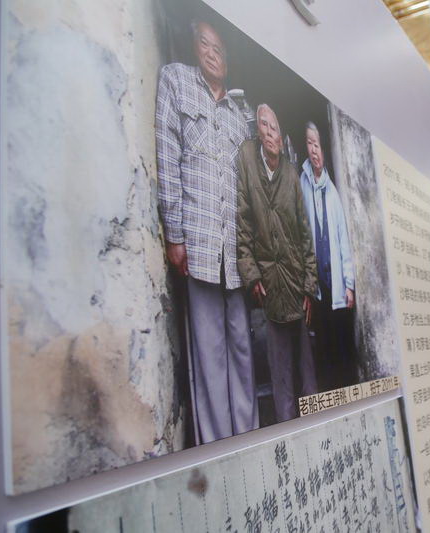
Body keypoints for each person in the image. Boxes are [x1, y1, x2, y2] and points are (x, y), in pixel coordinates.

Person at [156, 20, 254, 444]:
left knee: (242, 349)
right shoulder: (175, 81)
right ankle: (219, 446)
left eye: (219, 48)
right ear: (195, 47)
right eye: (205, 44)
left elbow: (248, 190)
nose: (212, 52)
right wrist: (174, 234)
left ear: (227, 58)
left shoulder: (241, 116)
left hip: (235, 252)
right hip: (197, 244)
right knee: (209, 352)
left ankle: (247, 437)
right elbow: (166, 155)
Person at [236, 103, 318, 423]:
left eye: (274, 127)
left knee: (306, 366)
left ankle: (314, 421)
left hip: (296, 282)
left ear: (281, 137)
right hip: (270, 285)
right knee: (278, 365)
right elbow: (243, 223)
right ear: (257, 132)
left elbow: (305, 235)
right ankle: (287, 426)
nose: (269, 133)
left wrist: (309, 286)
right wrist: (252, 275)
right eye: (263, 126)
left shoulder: (292, 176)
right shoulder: (249, 167)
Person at [299, 121, 358, 390]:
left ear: (324, 149)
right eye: (309, 143)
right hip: (317, 283)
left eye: (317, 144)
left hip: (335, 282)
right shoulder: (302, 183)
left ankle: (347, 390)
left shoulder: (332, 192)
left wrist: (349, 284)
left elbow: (343, 239)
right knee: (321, 344)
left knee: (341, 342)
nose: (314, 150)